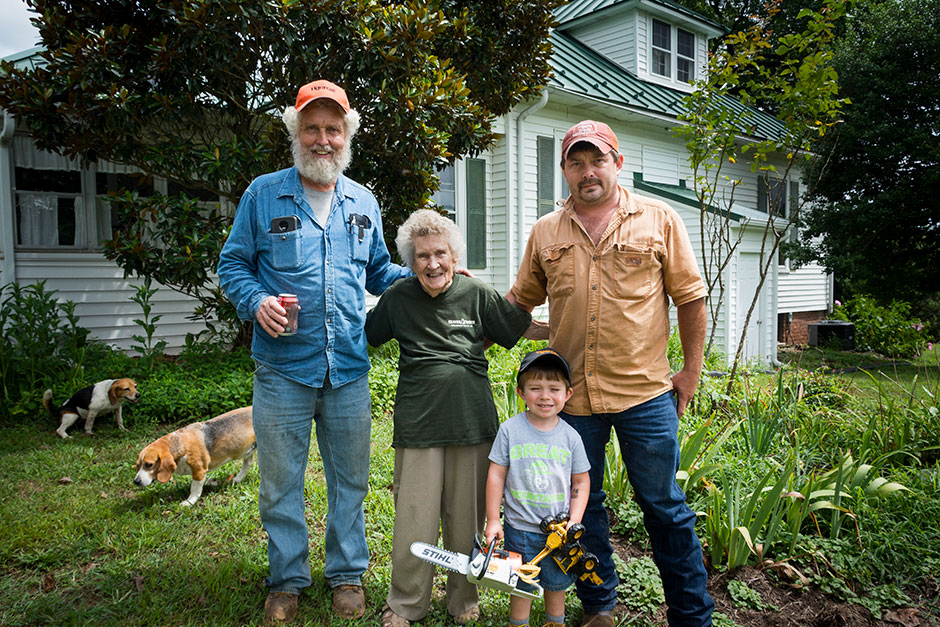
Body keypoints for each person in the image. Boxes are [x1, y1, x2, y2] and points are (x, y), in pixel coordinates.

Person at [217, 79, 410, 624]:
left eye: (332, 128)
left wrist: (426, 273)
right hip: (282, 370)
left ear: (346, 134)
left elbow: (377, 271)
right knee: (282, 481)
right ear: (295, 132)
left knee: (350, 479)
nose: (322, 139)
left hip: (348, 366)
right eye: (312, 128)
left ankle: (347, 574)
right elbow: (232, 264)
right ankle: (287, 579)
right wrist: (255, 302)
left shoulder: (362, 201)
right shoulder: (263, 193)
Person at [507, 120, 714, 626]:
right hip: (573, 401)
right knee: (582, 509)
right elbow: (518, 303)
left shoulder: (658, 219)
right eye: (575, 163)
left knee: (664, 506)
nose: (587, 172)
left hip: (645, 394)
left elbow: (690, 297)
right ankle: (600, 605)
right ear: (564, 172)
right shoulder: (546, 232)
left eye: (597, 160)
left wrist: (690, 371)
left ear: (617, 164)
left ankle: (692, 617)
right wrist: (463, 316)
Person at [364, 209, 536, 627]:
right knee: (414, 519)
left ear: (454, 255)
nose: (432, 263)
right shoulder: (399, 297)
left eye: (440, 253)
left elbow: (516, 327)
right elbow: (366, 335)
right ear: (411, 260)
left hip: (471, 422)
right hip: (418, 424)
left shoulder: (475, 293)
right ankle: (405, 604)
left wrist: (567, 329)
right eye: (422, 256)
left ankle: (463, 599)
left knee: (467, 520)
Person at [485, 348, 591, 627]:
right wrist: (494, 520)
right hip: (519, 528)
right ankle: (518, 623)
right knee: (521, 583)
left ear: (568, 394)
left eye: (554, 388)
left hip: (559, 531)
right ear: (520, 392)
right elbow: (496, 474)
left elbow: (581, 481)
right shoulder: (509, 430)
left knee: (556, 584)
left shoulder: (571, 437)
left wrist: (575, 522)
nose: (545, 396)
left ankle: (555, 622)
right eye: (535, 388)